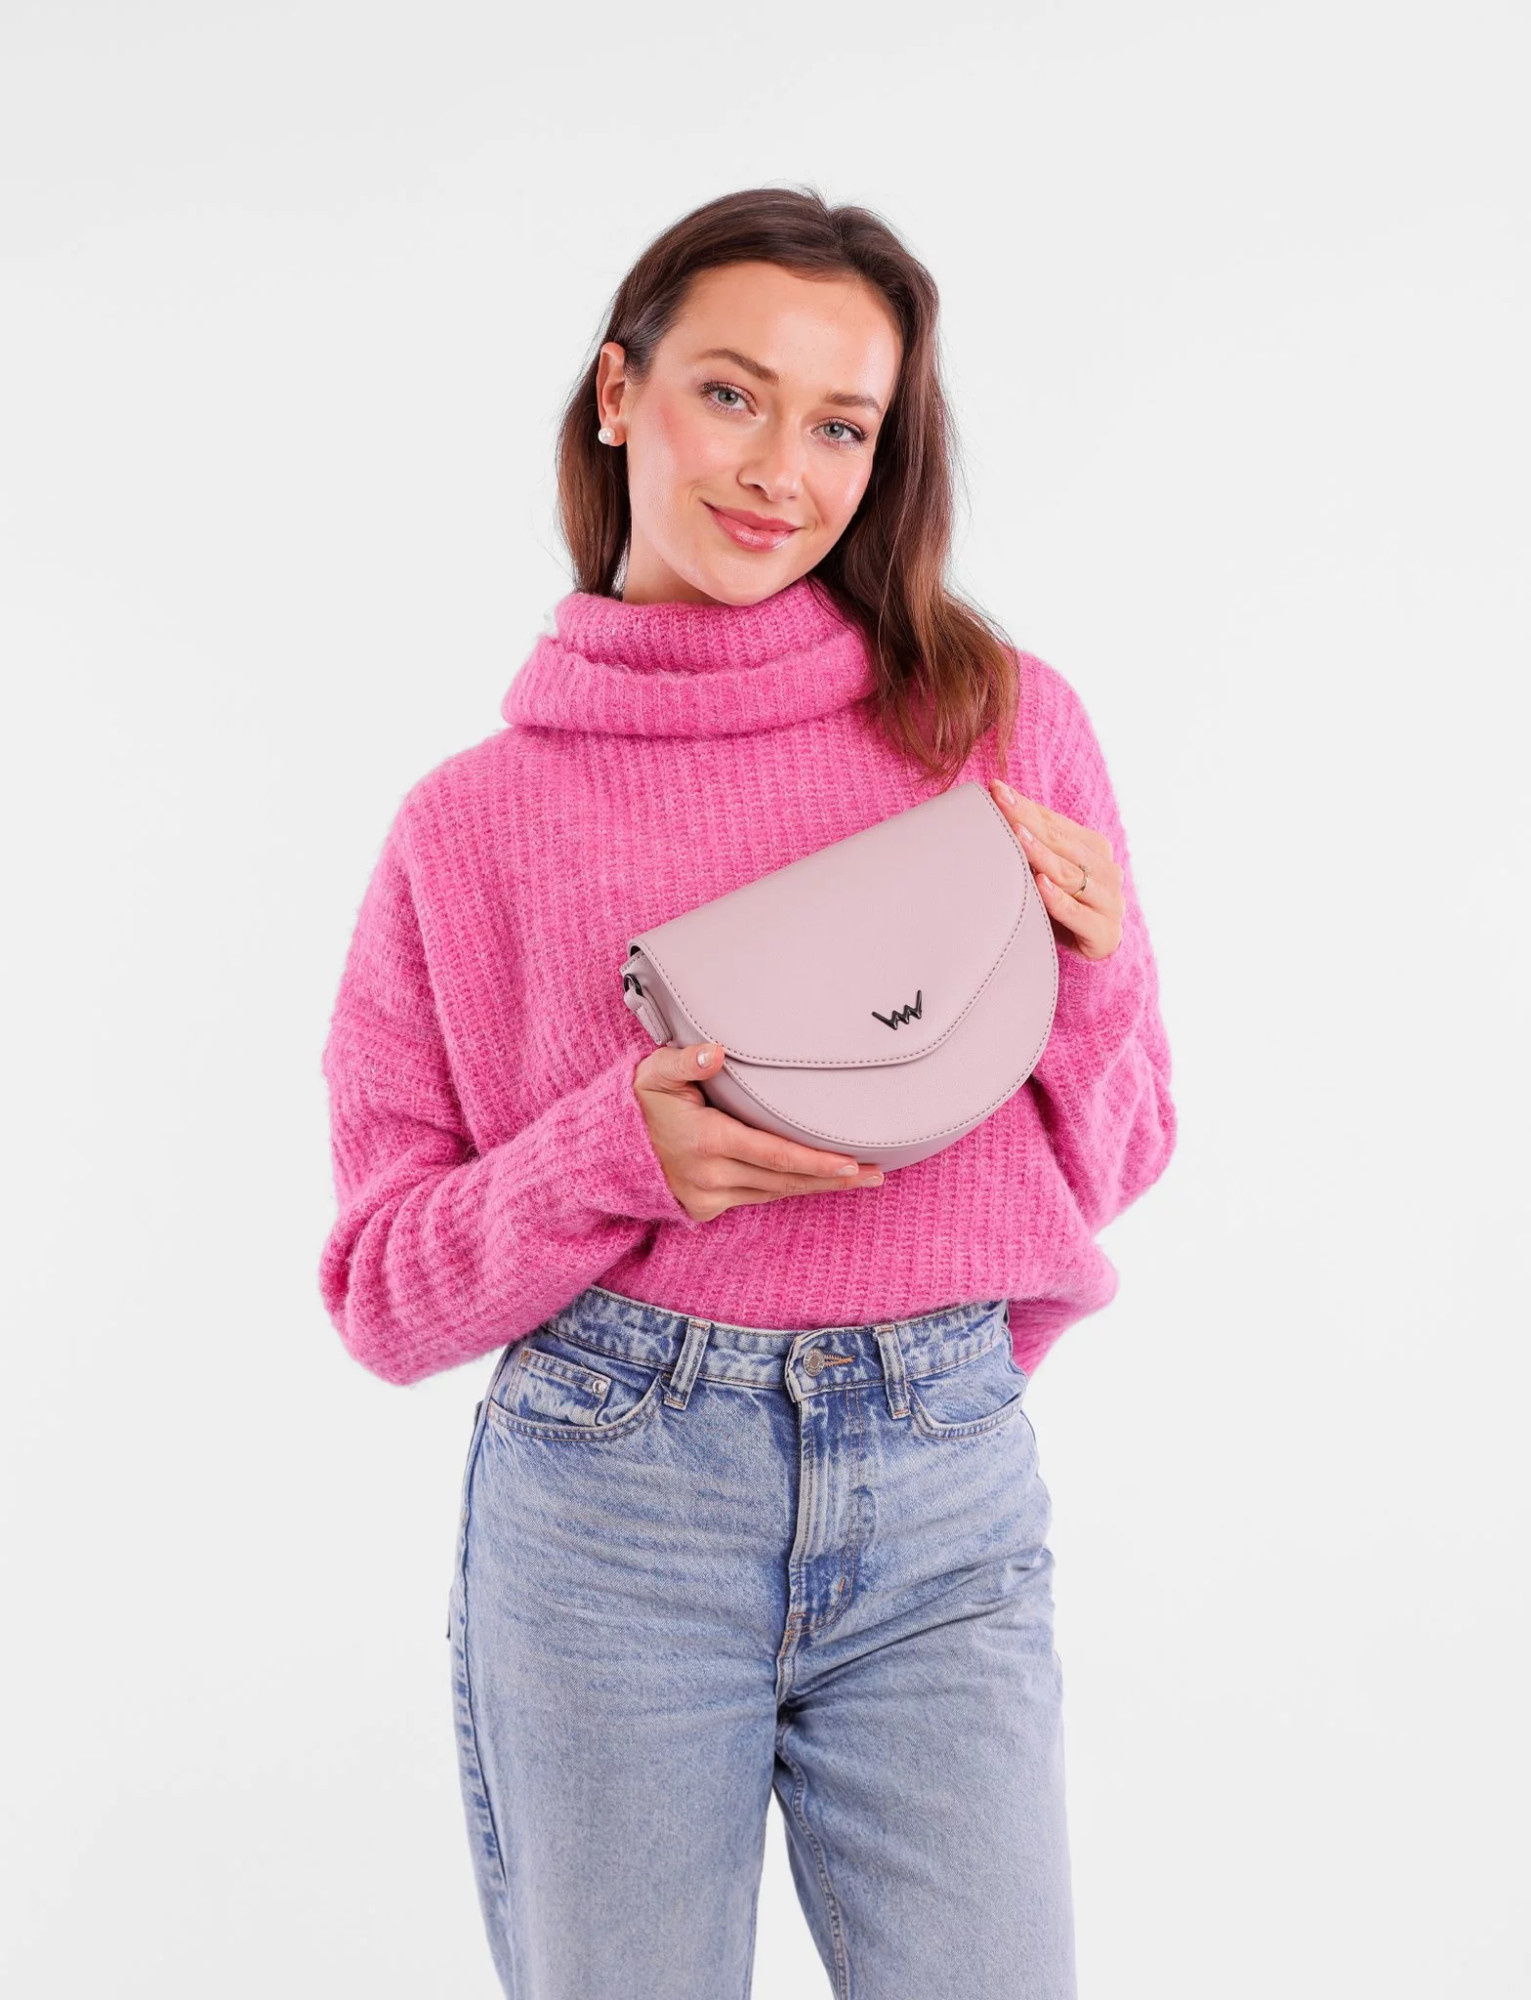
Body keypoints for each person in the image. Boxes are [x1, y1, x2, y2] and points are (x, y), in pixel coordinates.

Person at [317, 185, 1177, 2000]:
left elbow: (1123, 1152)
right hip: (615, 1510)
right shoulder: (469, 828)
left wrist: (1092, 977)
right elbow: (382, 1296)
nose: (782, 469)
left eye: (843, 424)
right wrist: (609, 1156)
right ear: (617, 393)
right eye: (731, 393)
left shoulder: (997, 723)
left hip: (945, 1486)